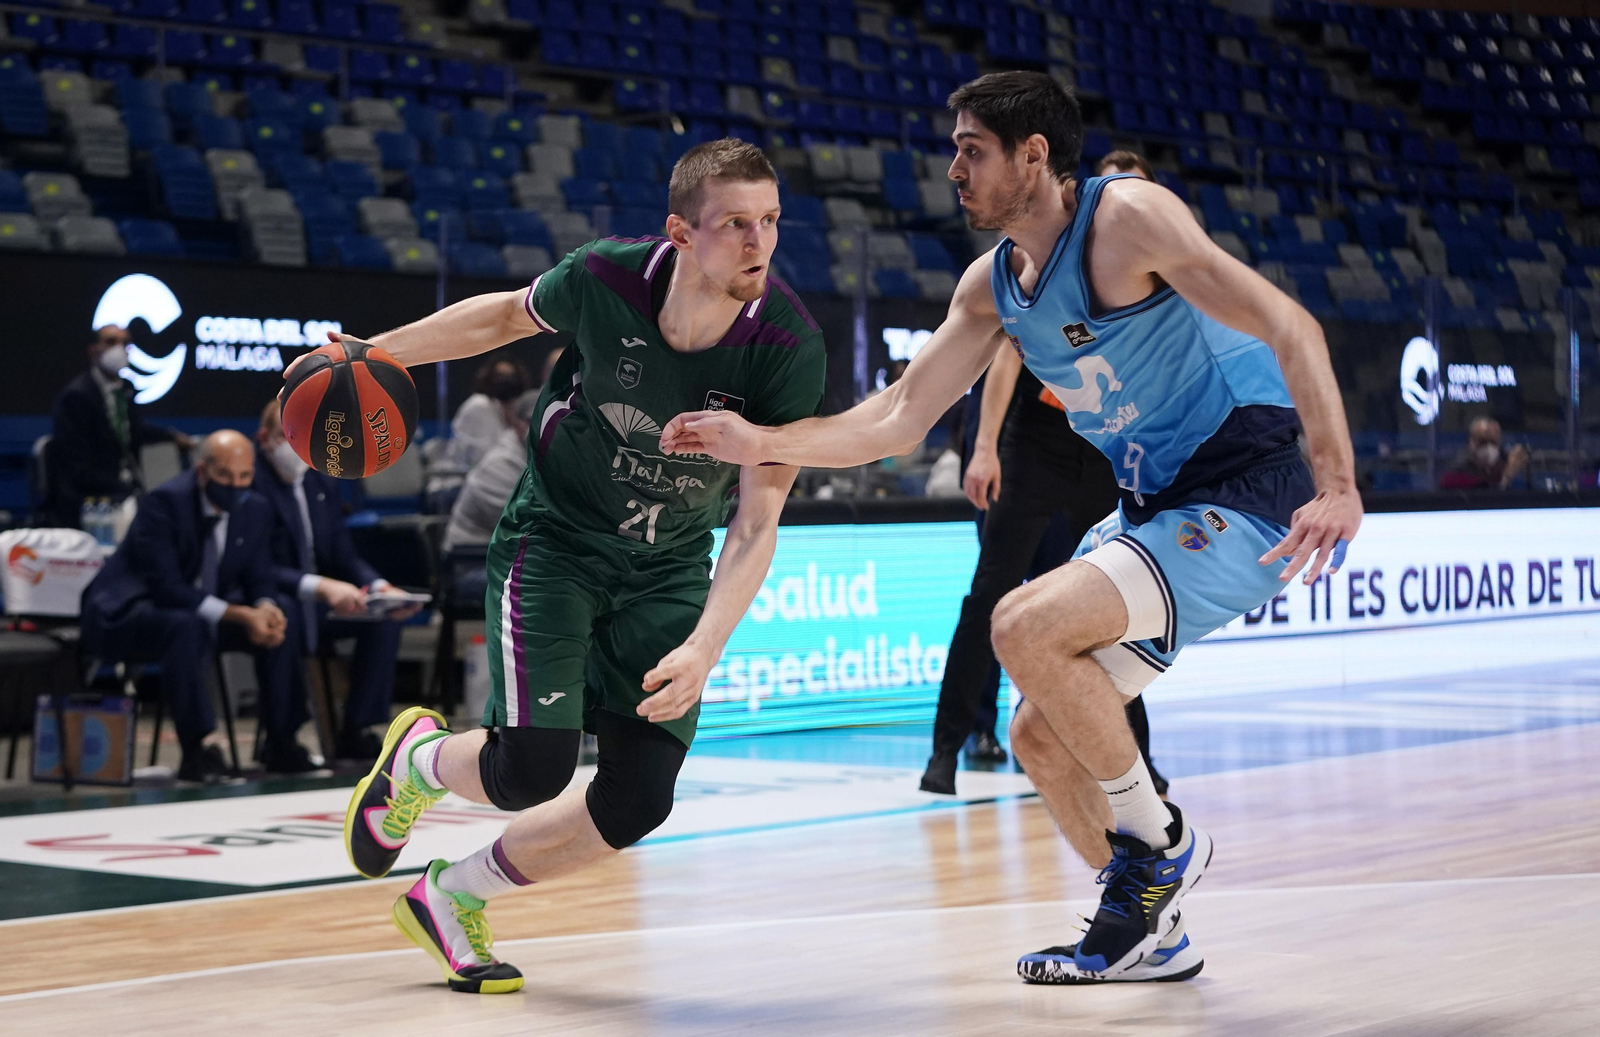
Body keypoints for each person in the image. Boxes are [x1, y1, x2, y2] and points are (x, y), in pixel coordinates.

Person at [658, 73, 1361, 985]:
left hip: (1252, 485)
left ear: (1035, 157)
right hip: (1160, 502)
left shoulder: (1128, 220)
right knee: (1037, 731)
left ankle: (1159, 841)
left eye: (971, 148)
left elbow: (1291, 323)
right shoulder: (992, 286)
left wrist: (1338, 482)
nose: (952, 166)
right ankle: (1145, 927)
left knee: (1021, 622)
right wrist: (762, 439)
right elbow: (897, 418)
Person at [308, 139, 825, 994]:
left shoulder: (784, 343)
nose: (758, 241)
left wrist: (705, 643)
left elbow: (758, 517)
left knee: (638, 799)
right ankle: (417, 761)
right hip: (558, 539)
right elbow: (501, 317)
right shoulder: (606, 278)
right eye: (735, 223)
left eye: (770, 221)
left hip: (667, 568)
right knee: (532, 771)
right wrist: (376, 352)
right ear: (681, 233)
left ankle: (448, 896)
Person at [922, 150, 1171, 797]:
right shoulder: (1056, 260)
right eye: (1118, 192)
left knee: (1104, 612)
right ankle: (951, 745)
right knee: (991, 598)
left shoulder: (1153, 277)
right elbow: (1005, 359)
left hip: (1098, 452)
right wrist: (984, 447)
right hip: (1031, 444)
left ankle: (1131, 752)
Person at [80, 430, 322, 782]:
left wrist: (266, 607)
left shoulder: (254, 508)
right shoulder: (165, 503)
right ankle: (200, 750)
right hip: (129, 613)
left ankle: (282, 742)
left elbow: (259, 574)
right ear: (202, 470)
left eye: (244, 476)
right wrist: (242, 614)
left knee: (282, 613)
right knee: (185, 626)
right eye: (225, 476)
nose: (235, 485)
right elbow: (166, 588)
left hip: (201, 613)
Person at [253, 399, 421, 763]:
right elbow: (256, 565)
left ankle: (358, 729)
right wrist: (321, 587)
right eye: (287, 438)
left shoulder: (319, 479)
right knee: (287, 615)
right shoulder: (250, 482)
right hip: (272, 593)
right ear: (265, 439)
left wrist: (378, 586)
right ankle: (282, 738)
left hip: (324, 599)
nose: (296, 450)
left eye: (303, 440)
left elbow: (341, 551)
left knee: (382, 620)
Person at [45, 324, 192, 528]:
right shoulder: (77, 397)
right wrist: (124, 490)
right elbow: (77, 466)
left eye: (125, 343)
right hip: (90, 497)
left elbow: (134, 430)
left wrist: (171, 437)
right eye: (111, 342)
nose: (119, 349)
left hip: (126, 489)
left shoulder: (125, 389)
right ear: (93, 350)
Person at [443, 389, 540, 551]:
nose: (541, 429)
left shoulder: (537, 458)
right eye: (533, 421)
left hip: (512, 555)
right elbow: (527, 526)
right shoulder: (499, 465)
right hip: (471, 559)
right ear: (517, 423)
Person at [449, 355, 533, 470]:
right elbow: (480, 458)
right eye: (500, 376)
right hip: (463, 478)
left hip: (497, 472)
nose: (505, 382)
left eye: (510, 377)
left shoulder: (511, 407)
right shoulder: (479, 405)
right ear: (488, 378)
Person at [1440, 416, 1529, 490]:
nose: (1488, 447)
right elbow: (1483, 499)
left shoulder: (1506, 462)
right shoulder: (1456, 472)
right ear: (1471, 443)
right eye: (1482, 442)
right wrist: (1507, 476)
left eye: (1493, 442)